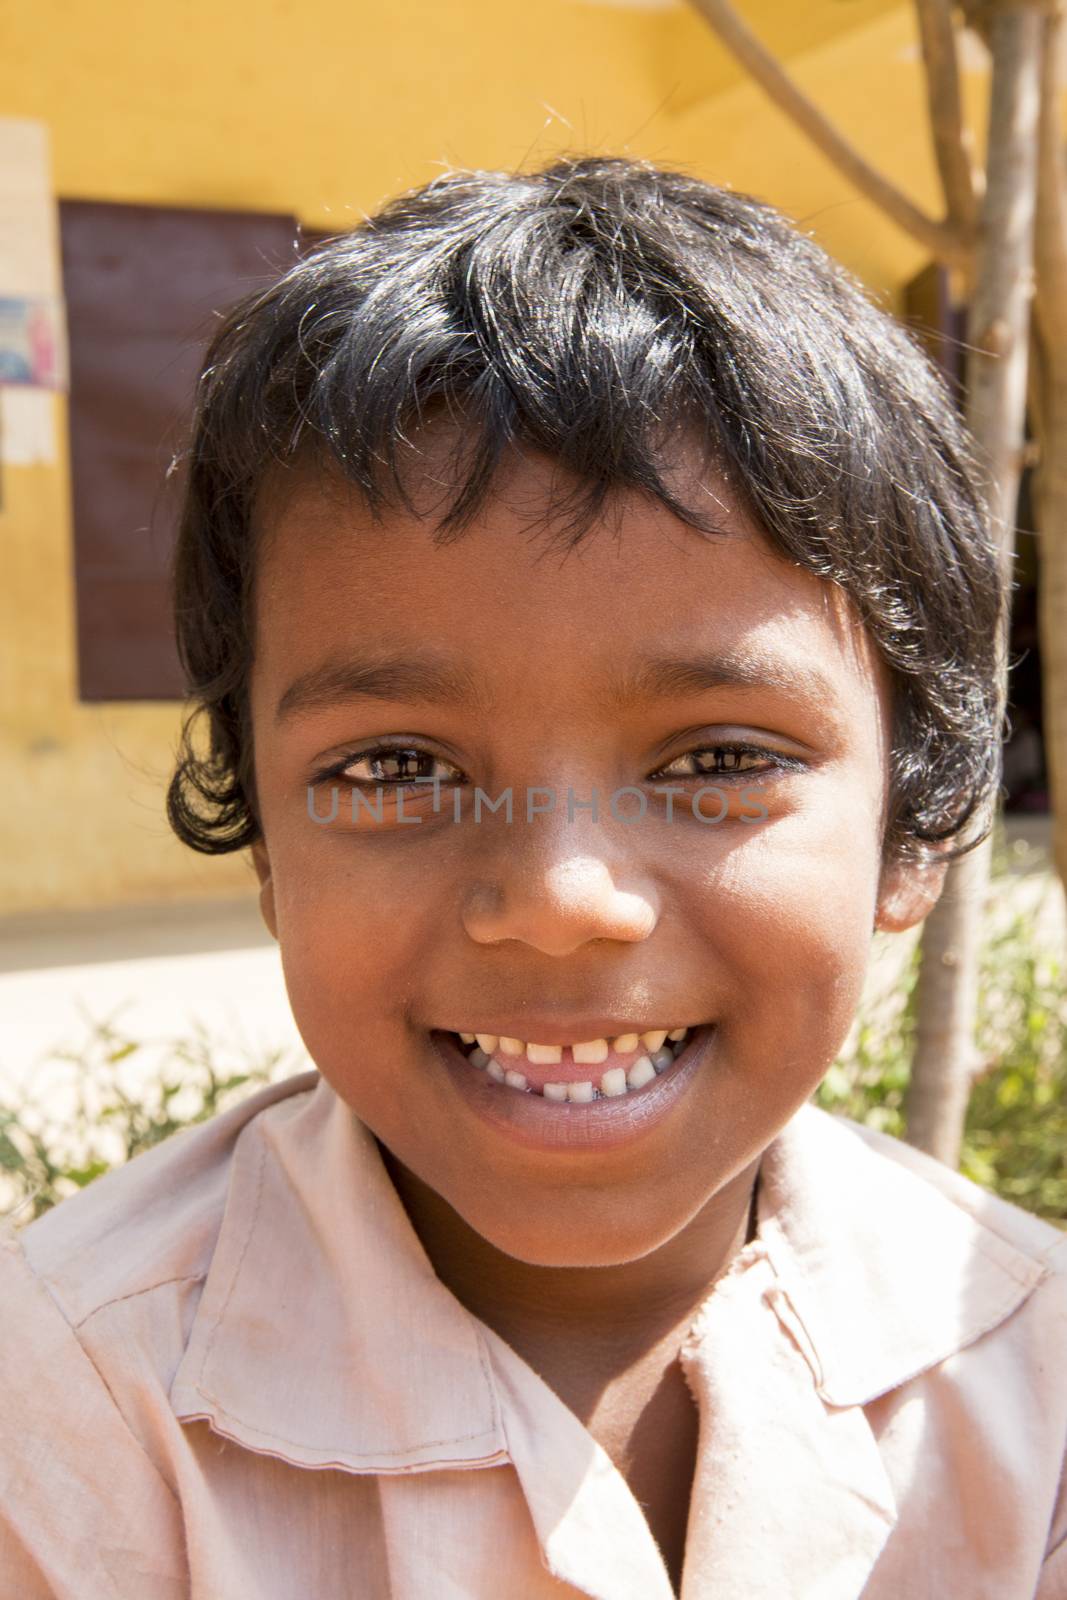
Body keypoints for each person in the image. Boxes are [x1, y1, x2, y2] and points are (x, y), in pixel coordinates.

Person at [2, 155, 1065, 1600]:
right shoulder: (62, 1422)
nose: (563, 896)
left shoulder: (1032, 1374)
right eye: (394, 768)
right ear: (263, 839)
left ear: (915, 823)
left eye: (714, 759)